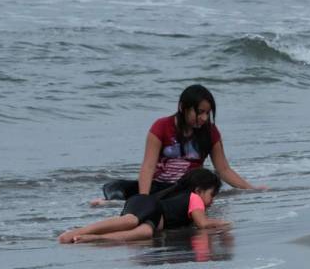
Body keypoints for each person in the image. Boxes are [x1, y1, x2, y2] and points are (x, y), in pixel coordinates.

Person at [100, 84, 266, 201]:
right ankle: (117, 203)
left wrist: (250, 189)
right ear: (182, 107)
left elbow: (223, 169)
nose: (204, 118)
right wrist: (144, 198)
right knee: (115, 187)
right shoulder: (161, 126)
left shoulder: (211, 132)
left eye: (207, 113)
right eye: (200, 112)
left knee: (206, 185)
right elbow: (148, 167)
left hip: (189, 187)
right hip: (160, 185)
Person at [60, 169, 228, 243]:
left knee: (145, 233)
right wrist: (225, 224)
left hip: (151, 218)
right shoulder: (195, 199)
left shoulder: (184, 200)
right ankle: (78, 232)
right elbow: (203, 224)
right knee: (130, 221)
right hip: (148, 205)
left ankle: (97, 239)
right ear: (199, 190)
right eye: (212, 194)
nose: (212, 200)